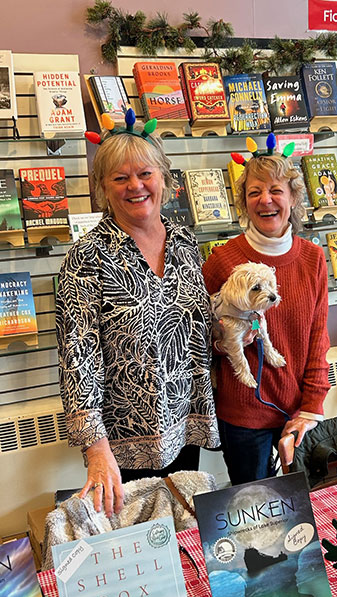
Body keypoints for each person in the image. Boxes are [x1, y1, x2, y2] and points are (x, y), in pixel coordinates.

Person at [56, 113, 219, 517]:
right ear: (102, 190)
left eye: (145, 173)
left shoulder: (185, 243)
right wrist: (96, 451)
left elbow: (194, 326)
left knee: (184, 528)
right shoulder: (86, 259)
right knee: (139, 548)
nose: (135, 186)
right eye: (119, 178)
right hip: (122, 445)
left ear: (164, 178)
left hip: (184, 425)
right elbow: (78, 358)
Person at [202, 144, 330, 485]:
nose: (266, 200)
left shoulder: (313, 258)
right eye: (254, 192)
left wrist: (312, 407)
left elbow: (318, 339)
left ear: (293, 197)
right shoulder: (221, 260)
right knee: (253, 510)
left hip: (298, 412)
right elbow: (197, 337)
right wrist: (223, 341)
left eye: (276, 190)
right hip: (243, 415)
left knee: (305, 509)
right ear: (244, 202)